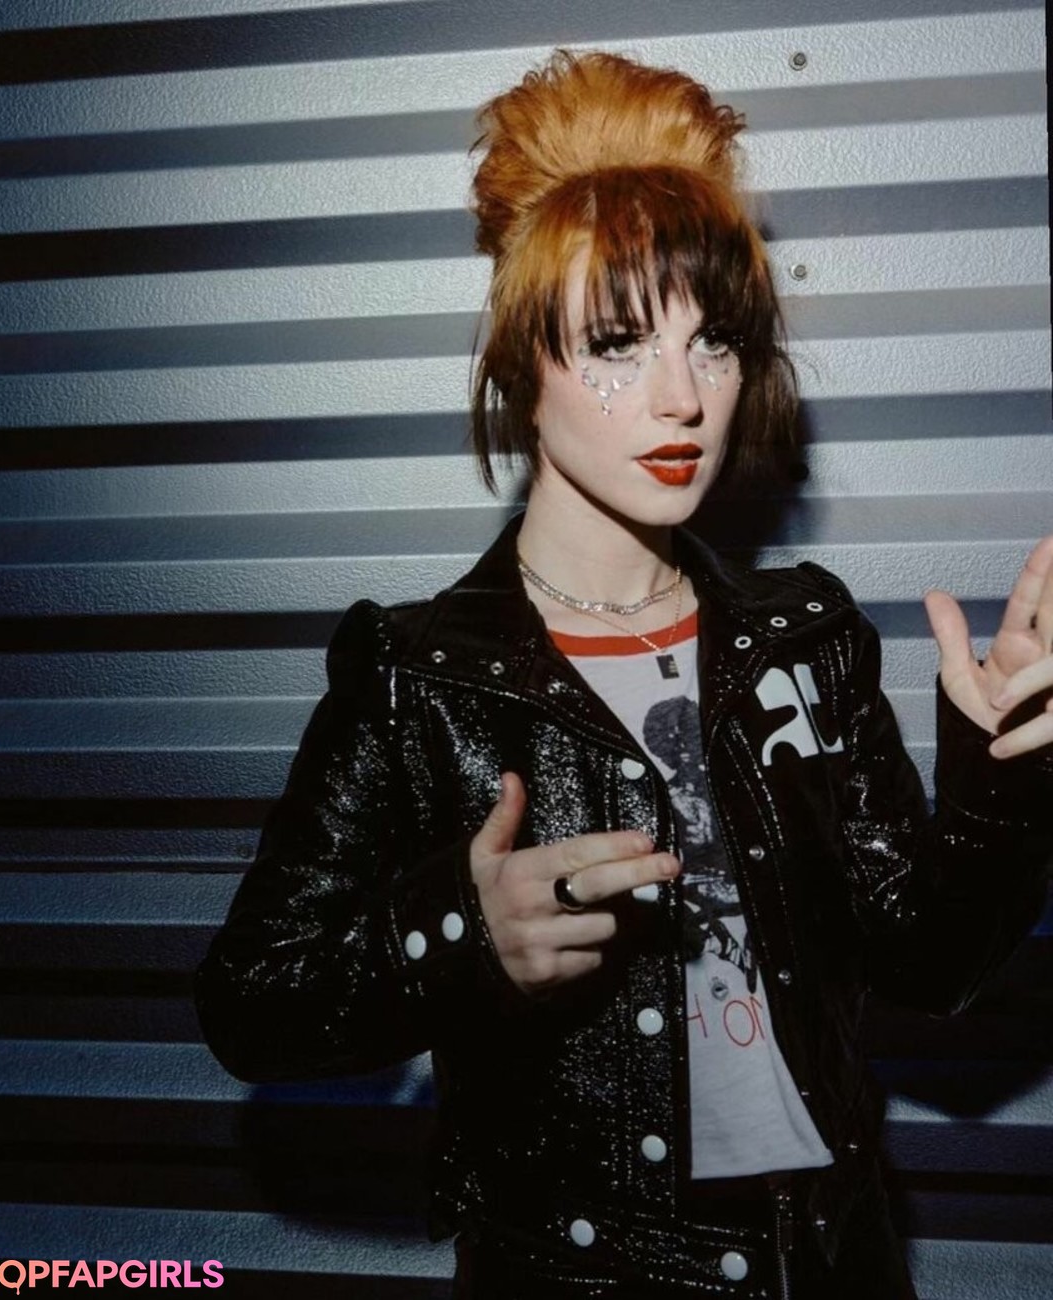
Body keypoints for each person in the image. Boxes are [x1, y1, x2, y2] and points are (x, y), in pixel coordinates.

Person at [195, 50, 1053, 1299]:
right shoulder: (419, 676)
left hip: (834, 1266)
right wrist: (457, 932)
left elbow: (929, 964)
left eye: (715, 343)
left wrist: (1002, 779)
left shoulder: (801, 636)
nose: (682, 398)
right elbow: (252, 1004)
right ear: (519, 364)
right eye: (616, 342)